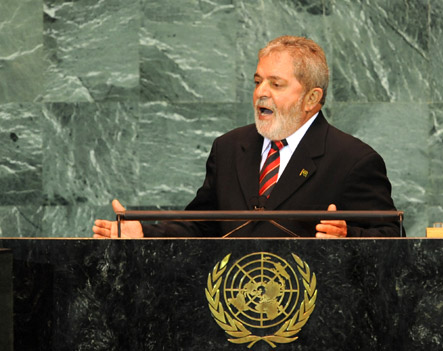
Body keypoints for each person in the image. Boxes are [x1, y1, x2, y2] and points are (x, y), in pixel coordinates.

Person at [93, 35, 401, 239]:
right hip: (232, 310)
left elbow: (393, 238)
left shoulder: (353, 160)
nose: (261, 92)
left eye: (276, 84)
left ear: (311, 98)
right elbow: (202, 224)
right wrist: (144, 233)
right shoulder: (229, 148)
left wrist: (347, 236)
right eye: (258, 81)